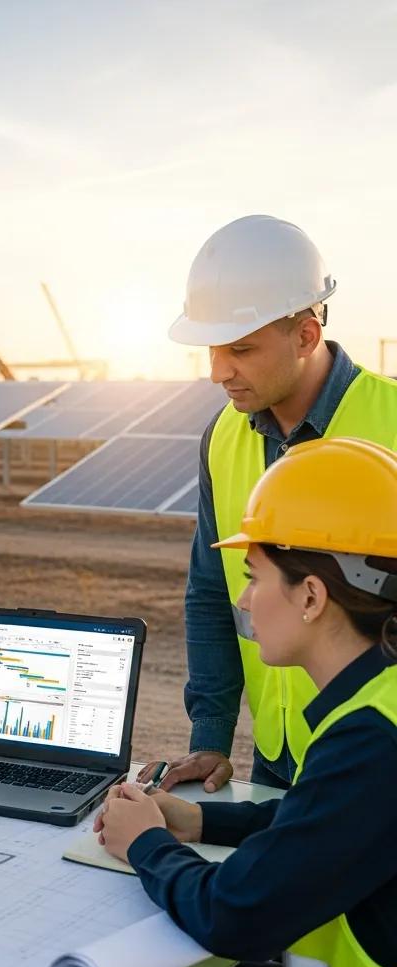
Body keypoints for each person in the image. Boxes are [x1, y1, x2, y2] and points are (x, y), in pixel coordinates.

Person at [98, 437, 397, 967]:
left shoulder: (373, 742)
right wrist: (201, 818)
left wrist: (145, 846)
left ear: (310, 595)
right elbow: (330, 824)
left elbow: (234, 915)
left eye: (254, 577)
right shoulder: (377, 700)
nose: (243, 600)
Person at [140, 214, 397, 792]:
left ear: (306, 335)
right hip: (277, 755)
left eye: (241, 349)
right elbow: (211, 593)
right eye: (211, 349)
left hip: (374, 763)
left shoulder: (394, 423)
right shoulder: (222, 438)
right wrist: (210, 736)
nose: (217, 372)